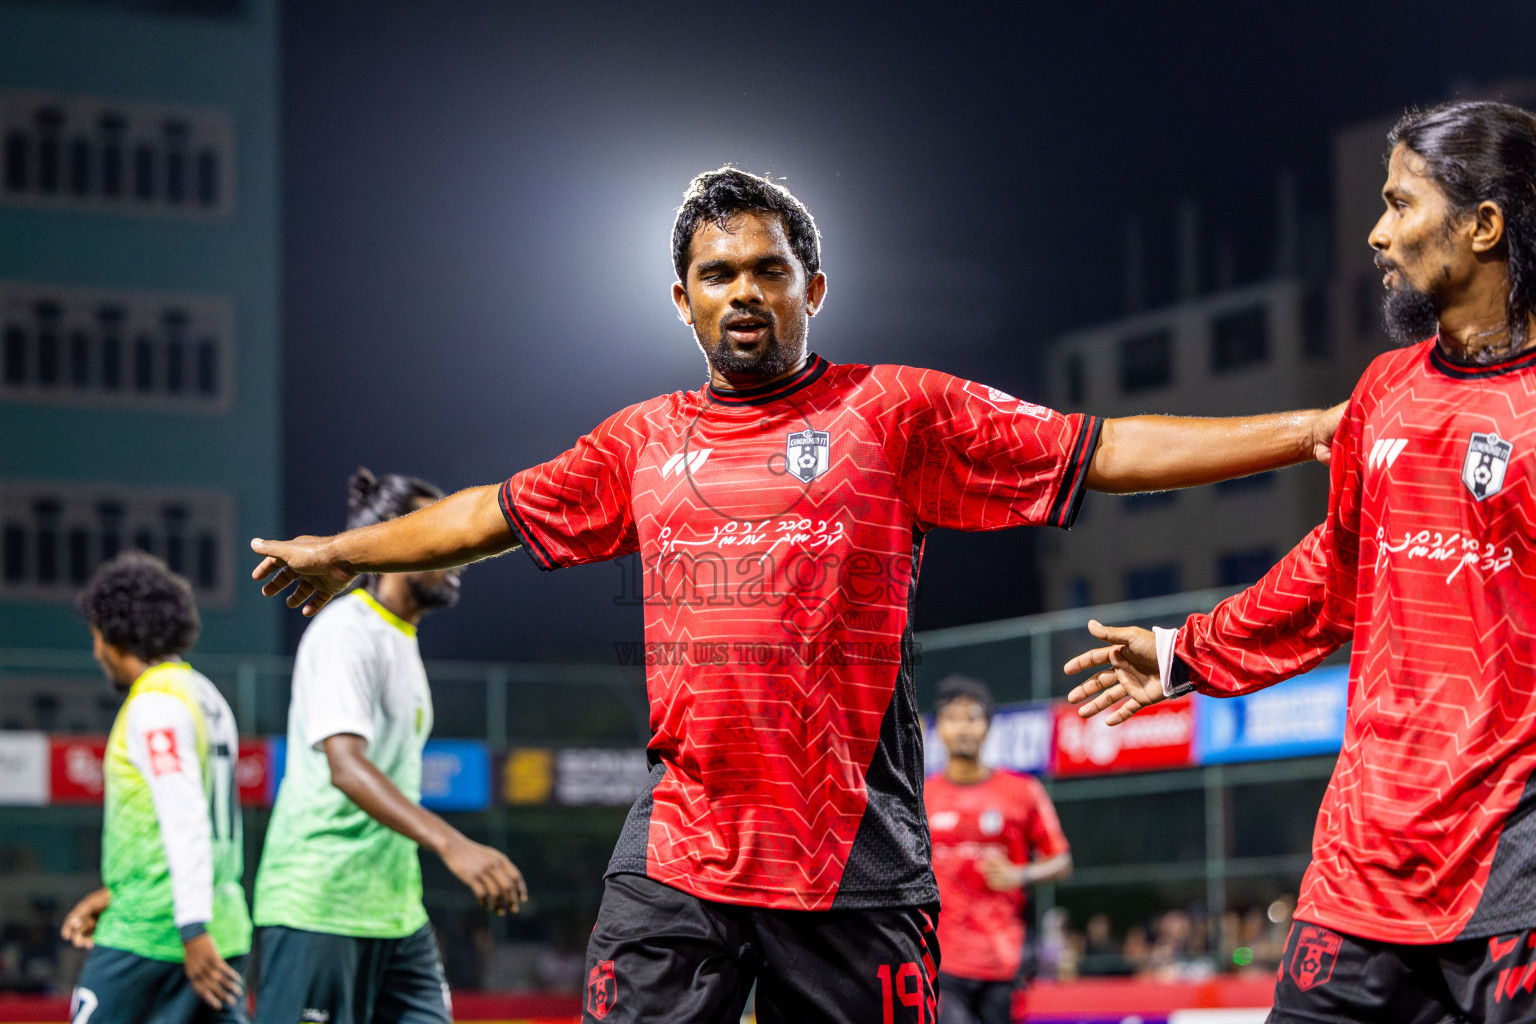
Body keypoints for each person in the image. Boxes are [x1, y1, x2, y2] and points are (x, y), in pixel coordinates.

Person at [249, 167, 1343, 1024]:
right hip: (682, 850)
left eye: (768, 270)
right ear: (681, 300)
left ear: (811, 289)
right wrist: (345, 551)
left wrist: (1310, 429)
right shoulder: (641, 441)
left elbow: (1100, 448)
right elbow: (487, 511)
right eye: (718, 275)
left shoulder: (896, 413)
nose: (744, 293)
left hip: (852, 863)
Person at [1064, 101, 1536, 1024]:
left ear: (1483, 226)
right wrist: (1180, 655)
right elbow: (1333, 574)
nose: (1377, 232)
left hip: (1512, 872)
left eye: (1401, 205)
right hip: (1361, 869)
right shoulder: (1384, 390)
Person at [252, 469, 526, 1024]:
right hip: (321, 905)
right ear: (394, 545)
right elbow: (346, 768)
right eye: (432, 533)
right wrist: (454, 846)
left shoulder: (399, 637)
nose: (452, 551)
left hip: (395, 914)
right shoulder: (346, 629)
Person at [62, 552, 251, 1024]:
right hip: (221, 926)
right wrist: (113, 893)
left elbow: (185, 816)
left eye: (96, 636)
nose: (95, 651)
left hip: (158, 935)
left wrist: (191, 929)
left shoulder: (155, 706)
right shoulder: (205, 694)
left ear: (114, 633)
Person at [925, 676, 1070, 1024]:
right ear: (939, 727)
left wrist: (1019, 874)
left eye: (972, 717)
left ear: (988, 727)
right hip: (941, 961)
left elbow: (1061, 860)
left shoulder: (1022, 792)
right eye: (953, 718)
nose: (963, 727)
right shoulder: (921, 797)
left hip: (1003, 961)